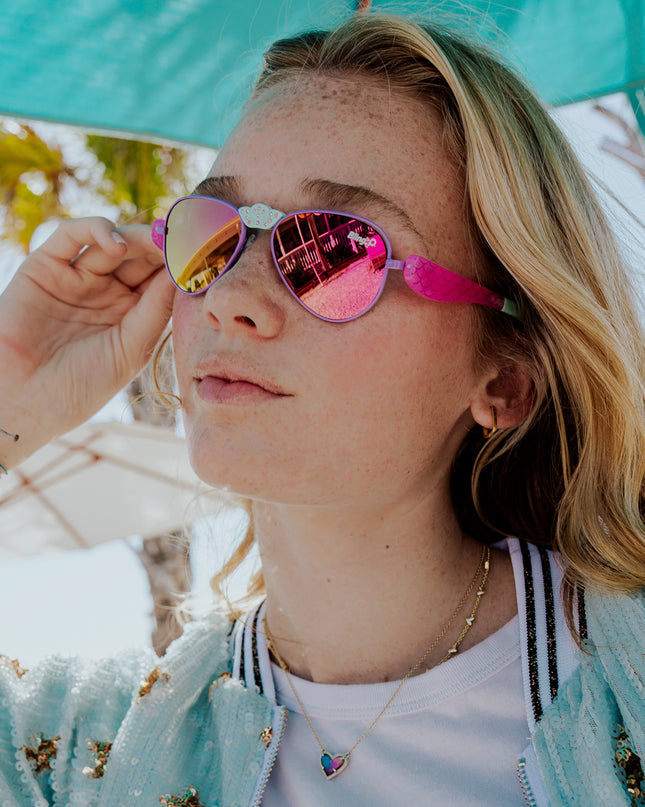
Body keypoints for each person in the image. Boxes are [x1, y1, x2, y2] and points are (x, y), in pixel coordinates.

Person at [0, 11, 644, 807]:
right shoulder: (74, 756)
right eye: (213, 235)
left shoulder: (627, 685)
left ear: (504, 381)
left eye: (332, 251)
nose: (233, 296)